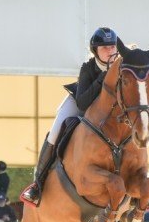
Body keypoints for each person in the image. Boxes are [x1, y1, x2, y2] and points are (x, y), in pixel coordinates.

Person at [20, 27, 119, 206]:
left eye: (112, 46)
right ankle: (37, 184)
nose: (110, 51)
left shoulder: (123, 66)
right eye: (104, 48)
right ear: (95, 51)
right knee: (55, 130)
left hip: (108, 114)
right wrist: (104, 76)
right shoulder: (88, 68)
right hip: (80, 103)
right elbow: (83, 103)